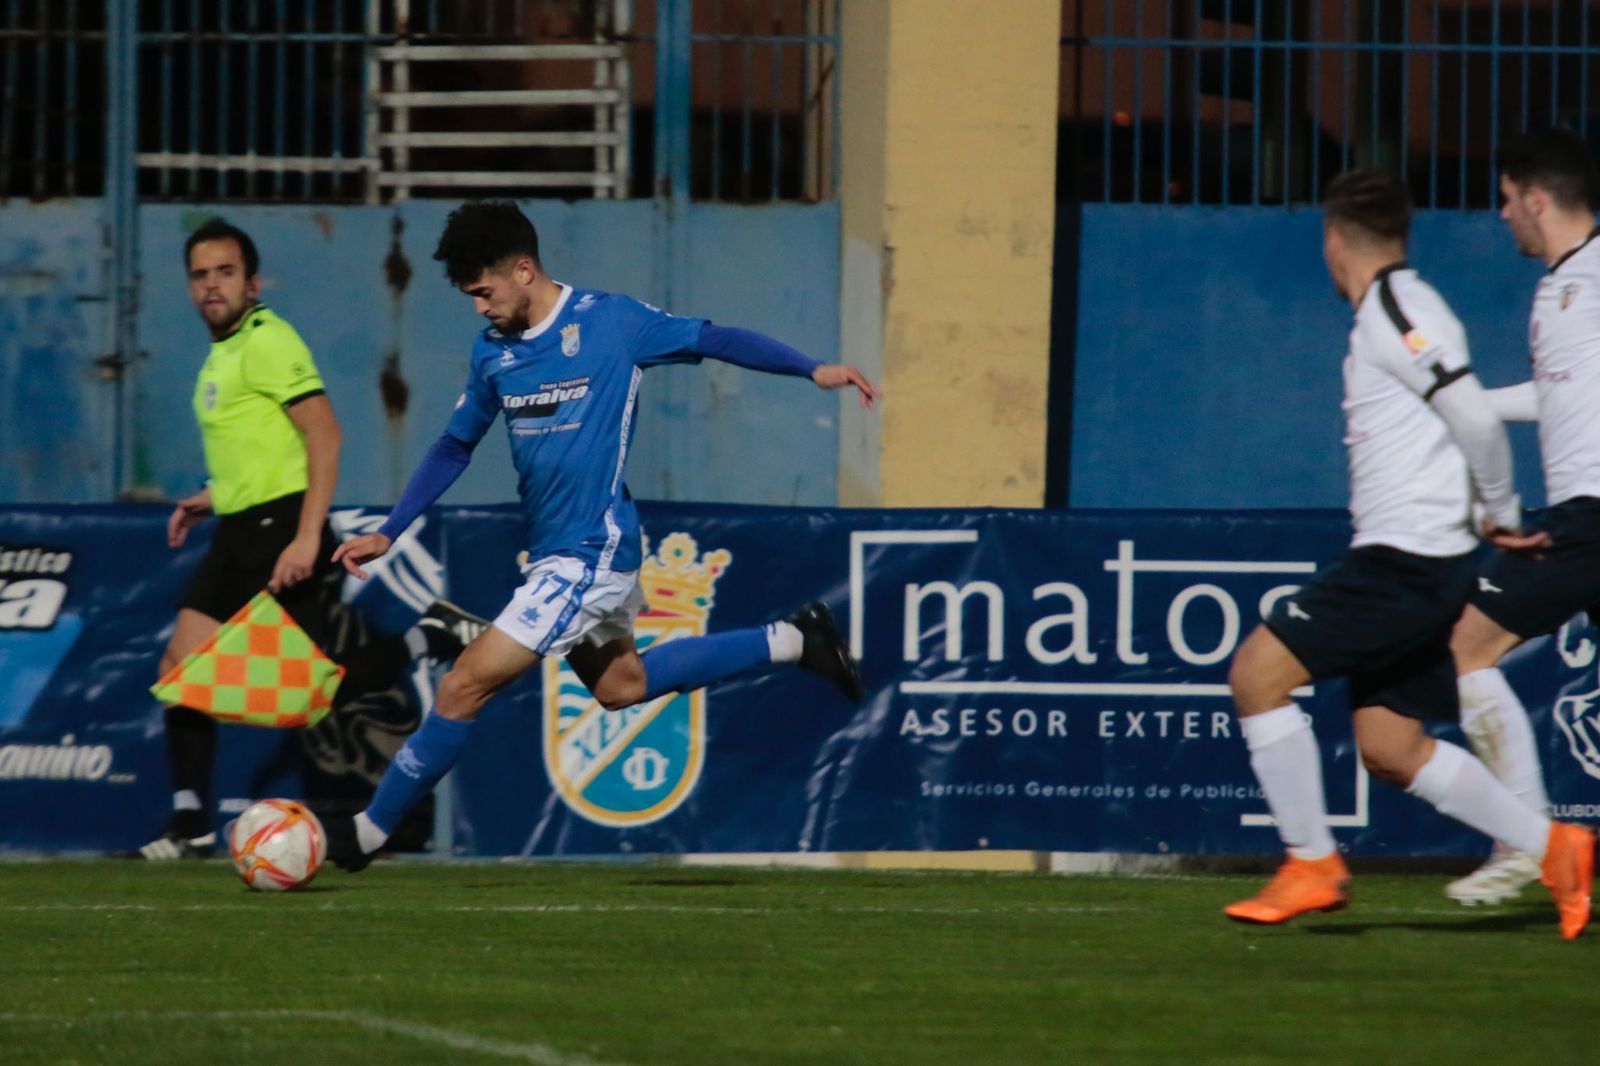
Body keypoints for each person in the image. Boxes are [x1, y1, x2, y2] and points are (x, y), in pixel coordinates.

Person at [319, 200, 877, 869]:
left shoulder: (614, 323)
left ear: (523, 270)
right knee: (620, 687)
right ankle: (793, 639)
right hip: (557, 555)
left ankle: (368, 833)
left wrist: (811, 368)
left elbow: (714, 337)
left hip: (592, 553)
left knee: (463, 683)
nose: (478, 308)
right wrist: (392, 529)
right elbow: (454, 445)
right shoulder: (493, 353)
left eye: (484, 291)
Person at [1222, 170, 1594, 938]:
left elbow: (1469, 412)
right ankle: (1554, 848)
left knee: (1257, 674)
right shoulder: (1396, 309)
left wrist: (1497, 512)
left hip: (1403, 564)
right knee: (1391, 748)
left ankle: (1310, 862)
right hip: (1419, 564)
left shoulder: (1395, 310)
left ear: (1334, 240)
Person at [139, 218, 479, 860]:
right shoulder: (225, 351)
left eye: (226, 273)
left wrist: (304, 538)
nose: (212, 286)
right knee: (179, 672)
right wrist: (211, 498)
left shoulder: (270, 341)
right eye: (201, 275)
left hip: (280, 528)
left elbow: (323, 434)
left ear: (253, 282)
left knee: (306, 696)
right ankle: (191, 820)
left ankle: (427, 636)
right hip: (240, 527)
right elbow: (258, 444)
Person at [1443, 127, 1600, 906]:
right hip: (1579, 513)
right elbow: (1559, 396)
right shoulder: (1561, 287)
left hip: (1590, 516)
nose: (1502, 215)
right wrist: (1460, 405)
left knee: (1470, 644)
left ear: (1537, 199)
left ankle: (1526, 842)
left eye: (1507, 201)